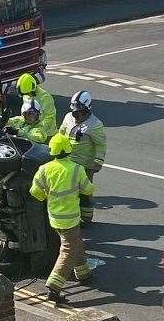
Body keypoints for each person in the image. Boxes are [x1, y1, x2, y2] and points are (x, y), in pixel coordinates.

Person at [30, 132, 95, 302]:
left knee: (75, 243)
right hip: (71, 218)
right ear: (68, 149)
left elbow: (35, 193)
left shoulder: (44, 169)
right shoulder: (76, 169)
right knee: (68, 249)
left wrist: (48, 195)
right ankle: (54, 286)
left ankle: (83, 273)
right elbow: (88, 190)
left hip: (54, 217)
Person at [58, 90, 103, 223]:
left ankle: (86, 218)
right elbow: (60, 133)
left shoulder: (95, 125)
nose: (76, 113)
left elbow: (101, 145)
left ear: (87, 108)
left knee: (85, 192)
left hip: (85, 165)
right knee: (68, 192)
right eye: (75, 110)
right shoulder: (68, 117)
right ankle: (72, 217)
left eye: (80, 110)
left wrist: (97, 163)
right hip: (67, 162)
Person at [16, 71, 56, 137]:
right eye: (25, 94)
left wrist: (37, 129)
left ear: (33, 89)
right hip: (32, 132)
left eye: (28, 93)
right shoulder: (26, 94)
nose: (28, 95)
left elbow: (50, 117)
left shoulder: (45, 97)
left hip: (46, 134)